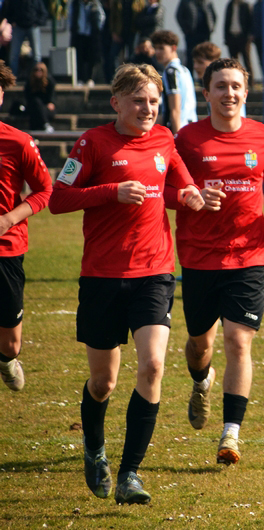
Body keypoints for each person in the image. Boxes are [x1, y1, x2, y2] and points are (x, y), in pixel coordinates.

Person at [49, 63, 204, 505]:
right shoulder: (92, 142)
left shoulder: (165, 139)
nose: (148, 108)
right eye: (139, 100)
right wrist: (110, 191)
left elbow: (180, 187)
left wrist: (193, 196)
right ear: (116, 103)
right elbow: (58, 199)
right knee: (103, 383)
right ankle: (94, 449)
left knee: (152, 366)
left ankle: (129, 474)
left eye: (154, 100)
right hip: (102, 277)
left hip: (154, 272)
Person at [173, 58, 264, 465]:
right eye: (221, 86)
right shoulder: (187, 139)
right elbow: (167, 187)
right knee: (199, 345)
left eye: (236, 86)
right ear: (206, 93)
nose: (230, 93)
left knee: (239, 341)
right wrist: (190, 196)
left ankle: (231, 434)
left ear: (246, 91)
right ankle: (200, 381)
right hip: (199, 257)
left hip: (248, 255)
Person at [0, 60, 52, 393]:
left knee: (10, 344)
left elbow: (45, 190)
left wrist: (8, 219)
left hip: (6, 249)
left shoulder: (18, 142)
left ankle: (6, 360)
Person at [151, 30, 197, 134]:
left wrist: (177, 137)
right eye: (155, 48)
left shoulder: (171, 72)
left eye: (161, 48)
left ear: (173, 48)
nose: (157, 52)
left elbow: (175, 109)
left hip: (178, 129)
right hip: (191, 127)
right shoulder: (185, 70)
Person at [5, 0, 48, 76]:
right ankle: (12, 77)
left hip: (32, 27)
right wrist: (12, 21)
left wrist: (37, 22)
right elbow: (8, 12)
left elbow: (43, 13)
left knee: (36, 55)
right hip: (18, 27)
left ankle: (36, 77)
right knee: (14, 55)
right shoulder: (14, 1)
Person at [69, 0, 106, 87]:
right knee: (79, 58)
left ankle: (90, 78)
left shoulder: (95, 4)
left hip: (91, 35)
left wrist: (97, 27)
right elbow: (70, 17)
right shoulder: (75, 4)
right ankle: (80, 79)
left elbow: (102, 17)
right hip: (79, 34)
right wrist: (73, 28)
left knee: (92, 58)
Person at [176, 0, 216, 66]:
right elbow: (179, 16)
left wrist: (211, 28)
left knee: (205, 54)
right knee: (191, 54)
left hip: (205, 33)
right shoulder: (186, 2)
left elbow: (213, 16)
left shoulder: (207, 2)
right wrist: (186, 29)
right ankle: (190, 70)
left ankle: (205, 70)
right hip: (191, 33)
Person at [223, 0, 253, 78]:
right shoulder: (230, 5)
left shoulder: (245, 5)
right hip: (232, 36)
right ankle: (234, 79)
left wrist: (248, 37)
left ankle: (250, 81)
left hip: (243, 37)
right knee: (233, 62)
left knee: (247, 61)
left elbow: (250, 21)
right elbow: (226, 22)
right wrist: (226, 37)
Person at [24, 62, 56, 132]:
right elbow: (28, 97)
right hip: (33, 107)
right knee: (36, 103)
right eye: (36, 70)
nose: (38, 72)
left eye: (41, 70)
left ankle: (45, 124)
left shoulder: (50, 82)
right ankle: (45, 124)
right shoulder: (29, 82)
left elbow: (51, 97)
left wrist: (51, 102)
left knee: (40, 110)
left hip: (45, 108)